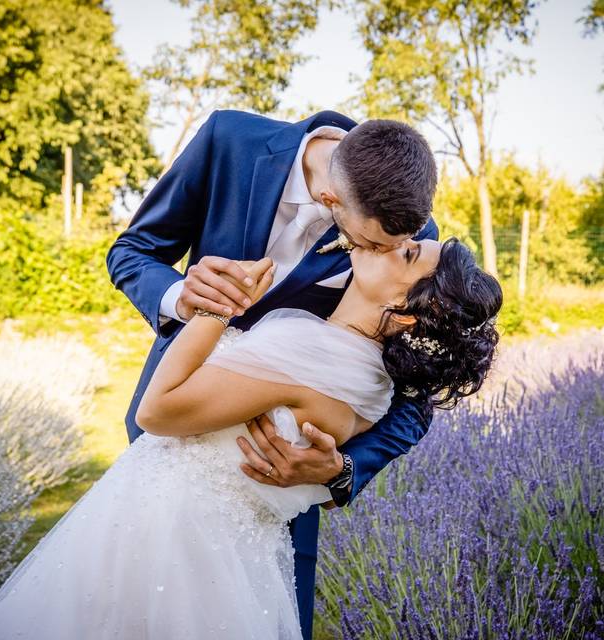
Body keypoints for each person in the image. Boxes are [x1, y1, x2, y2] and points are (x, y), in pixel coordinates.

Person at [0, 236, 502, 639]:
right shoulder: (372, 381)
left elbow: (159, 409)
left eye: (408, 255)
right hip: (233, 555)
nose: (398, 241)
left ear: (408, 316)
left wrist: (223, 305)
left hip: (162, 537)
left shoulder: (313, 352)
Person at [105, 110, 442, 639]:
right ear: (331, 200)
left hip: (274, 491)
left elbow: (417, 396)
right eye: (370, 245)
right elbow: (132, 251)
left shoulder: (407, 236)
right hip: (169, 447)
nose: (381, 254)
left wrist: (340, 468)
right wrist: (181, 297)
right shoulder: (228, 141)